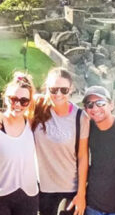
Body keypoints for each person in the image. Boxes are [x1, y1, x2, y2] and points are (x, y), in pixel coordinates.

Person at [30, 67, 89, 215]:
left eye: (63, 90)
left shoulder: (80, 117)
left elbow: (83, 157)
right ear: (47, 89)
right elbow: (15, 107)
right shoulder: (38, 107)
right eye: (53, 89)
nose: (58, 94)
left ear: (71, 89)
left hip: (69, 189)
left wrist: (81, 194)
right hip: (41, 188)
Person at [0, 72, 39, 215]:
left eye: (24, 101)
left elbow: (53, 98)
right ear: (5, 99)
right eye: (13, 99)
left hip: (28, 195)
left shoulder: (32, 124)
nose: (18, 104)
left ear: (30, 102)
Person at [82, 86, 115, 215]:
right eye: (90, 105)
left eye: (100, 103)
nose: (95, 108)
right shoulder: (87, 129)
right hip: (93, 207)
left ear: (111, 105)